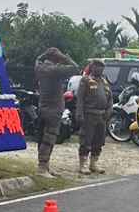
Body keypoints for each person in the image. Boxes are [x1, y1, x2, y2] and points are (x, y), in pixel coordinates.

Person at [33, 47, 81, 177]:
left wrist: (45, 54)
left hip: (43, 107)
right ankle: (42, 167)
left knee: (41, 136)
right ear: (55, 59)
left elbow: (38, 59)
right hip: (53, 109)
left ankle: (45, 165)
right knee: (49, 137)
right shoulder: (55, 70)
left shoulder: (40, 67)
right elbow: (74, 67)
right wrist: (62, 56)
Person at [73, 59, 113, 174]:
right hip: (89, 114)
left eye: (101, 66)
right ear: (92, 67)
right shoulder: (85, 80)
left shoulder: (105, 81)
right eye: (97, 66)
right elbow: (80, 98)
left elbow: (110, 97)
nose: (99, 68)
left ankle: (93, 163)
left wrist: (109, 110)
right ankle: (83, 164)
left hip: (102, 116)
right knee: (86, 139)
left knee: (98, 140)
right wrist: (79, 114)